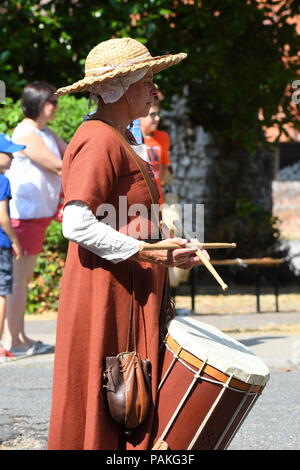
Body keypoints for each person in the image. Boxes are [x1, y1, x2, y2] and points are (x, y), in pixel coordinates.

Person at [47, 37, 203, 451]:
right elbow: (77, 223)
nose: (155, 90)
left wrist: (168, 250)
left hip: (128, 289)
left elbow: (131, 221)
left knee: (130, 400)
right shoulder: (99, 139)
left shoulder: (119, 136)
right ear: (122, 88)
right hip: (105, 293)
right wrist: (145, 251)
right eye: (148, 80)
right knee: (112, 398)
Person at [3, 81, 67, 356]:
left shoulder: (44, 131)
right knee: (19, 280)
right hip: (24, 216)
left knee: (22, 279)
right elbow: (59, 164)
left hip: (36, 215)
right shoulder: (27, 132)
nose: (56, 105)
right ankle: (13, 340)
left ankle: (19, 336)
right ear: (38, 104)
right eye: (51, 101)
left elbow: (69, 154)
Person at [0, 134, 24, 361]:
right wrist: (15, 241)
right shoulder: (2, 181)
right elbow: (3, 217)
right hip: (1, 244)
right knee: (2, 294)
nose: (12, 158)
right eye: (8, 154)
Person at [140, 97, 173, 204]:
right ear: (140, 116)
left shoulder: (163, 137)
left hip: (158, 201)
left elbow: (164, 171)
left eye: (158, 114)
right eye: (153, 115)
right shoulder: (131, 138)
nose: (158, 118)